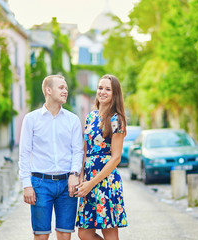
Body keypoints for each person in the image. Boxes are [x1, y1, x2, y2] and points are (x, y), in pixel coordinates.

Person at [19, 75, 84, 240]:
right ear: (48, 90)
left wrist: (74, 175)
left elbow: (78, 151)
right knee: (41, 235)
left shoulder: (73, 120)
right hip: (40, 184)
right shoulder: (31, 119)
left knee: (64, 234)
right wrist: (27, 185)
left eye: (66, 88)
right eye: (61, 87)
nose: (65, 91)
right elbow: (24, 153)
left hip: (66, 185)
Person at [75, 74, 128, 240]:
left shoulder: (116, 119)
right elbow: (85, 150)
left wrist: (92, 182)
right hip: (88, 179)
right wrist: (82, 177)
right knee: (84, 233)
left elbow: (116, 157)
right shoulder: (91, 116)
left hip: (105, 181)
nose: (102, 92)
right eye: (100, 88)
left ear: (115, 94)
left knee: (109, 232)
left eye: (108, 89)